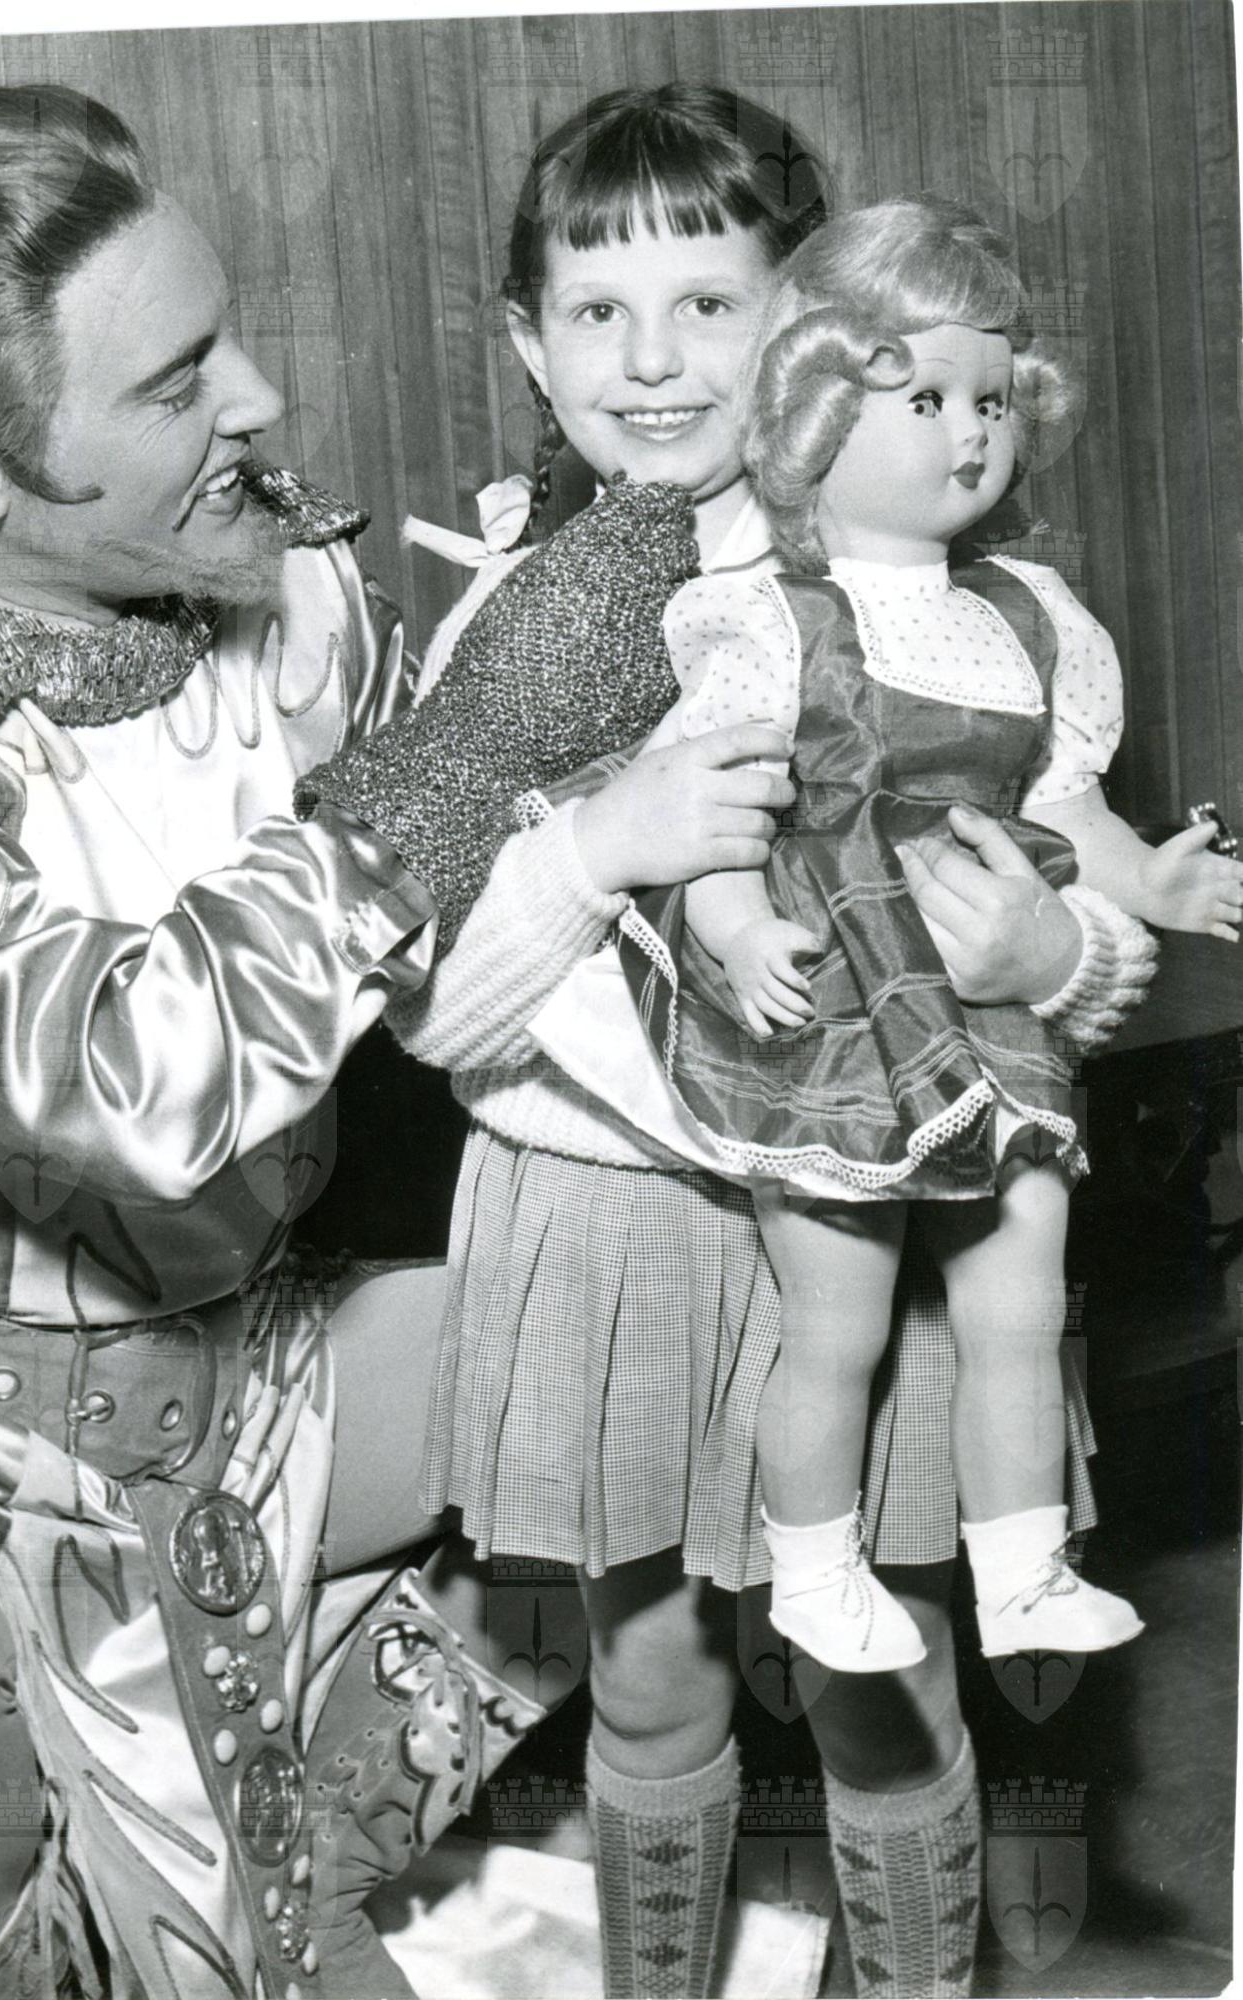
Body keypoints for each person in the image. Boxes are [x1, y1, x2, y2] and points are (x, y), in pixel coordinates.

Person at [0, 85, 779, 2000]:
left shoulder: (275, 588)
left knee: (671, 1354)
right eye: (176, 382)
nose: (262, 402)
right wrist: (468, 752)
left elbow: (478, 913)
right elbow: (125, 1074)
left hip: (239, 1361)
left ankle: (304, 1856)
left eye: (225, 335)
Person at [313, 86, 1159, 1998]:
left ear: (817, 329)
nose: (654, 359)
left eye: (712, 302)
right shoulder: (513, 623)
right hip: (616, 1223)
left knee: (892, 1682)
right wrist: (601, 850)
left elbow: (1076, 874)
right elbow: (436, 1008)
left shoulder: (929, 585)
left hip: (892, 1195)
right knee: (651, 1677)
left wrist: (1059, 952)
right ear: (530, 343)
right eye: (597, 313)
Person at [626, 197, 1243, 1676]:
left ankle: (1023, 1566)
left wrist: (1150, 884)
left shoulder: (1034, 617)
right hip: (840, 1002)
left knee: (1021, 1302)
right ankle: (811, 1568)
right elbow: (705, 818)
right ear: (817, 411)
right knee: (835, 1325)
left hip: (986, 993)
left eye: (990, 400)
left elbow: (1064, 808)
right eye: (924, 401)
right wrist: (737, 930)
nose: (969, 434)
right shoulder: (762, 620)